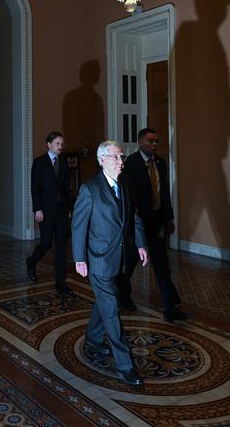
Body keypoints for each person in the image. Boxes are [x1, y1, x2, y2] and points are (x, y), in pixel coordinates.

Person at [72, 140, 149, 386]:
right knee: (112, 311)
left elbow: (133, 218)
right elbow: (78, 227)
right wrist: (79, 258)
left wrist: (140, 244)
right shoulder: (89, 189)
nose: (121, 161)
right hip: (98, 260)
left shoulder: (125, 183)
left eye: (121, 157)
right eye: (116, 157)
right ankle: (125, 365)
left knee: (106, 303)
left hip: (122, 258)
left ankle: (93, 337)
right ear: (102, 159)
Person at [117, 128, 187, 322]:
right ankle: (121, 296)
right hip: (136, 224)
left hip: (157, 222)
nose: (154, 144)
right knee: (129, 264)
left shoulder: (160, 163)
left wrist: (169, 218)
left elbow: (164, 194)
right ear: (140, 142)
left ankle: (171, 308)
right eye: (150, 141)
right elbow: (126, 197)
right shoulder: (130, 164)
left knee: (162, 265)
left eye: (156, 141)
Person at [26, 131, 73, 294]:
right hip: (45, 210)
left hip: (61, 210)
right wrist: (37, 209)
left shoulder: (64, 162)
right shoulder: (39, 163)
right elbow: (35, 188)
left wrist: (69, 209)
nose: (61, 146)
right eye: (57, 144)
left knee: (61, 246)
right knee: (46, 243)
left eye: (61, 144)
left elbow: (67, 188)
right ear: (48, 144)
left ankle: (61, 282)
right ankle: (31, 262)